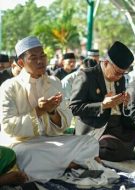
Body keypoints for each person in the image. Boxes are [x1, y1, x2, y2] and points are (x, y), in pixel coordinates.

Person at [0, 36, 99, 182]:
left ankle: (61, 166)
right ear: (21, 62)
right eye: (33, 57)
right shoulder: (9, 87)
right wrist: (38, 112)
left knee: (89, 142)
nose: (40, 61)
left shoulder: (53, 82)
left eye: (42, 56)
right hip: (21, 143)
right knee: (31, 154)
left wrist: (52, 112)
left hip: (49, 140)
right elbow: (8, 126)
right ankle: (69, 164)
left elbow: (64, 123)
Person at [69, 41, 135, 162]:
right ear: (106, 63)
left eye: (122, 74)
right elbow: (74, 107)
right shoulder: (87, 76)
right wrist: (102, 105)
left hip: (117, 127)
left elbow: (122, 110)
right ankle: (133, 151)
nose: (119, 77)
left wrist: (125, 104)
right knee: (109, 148)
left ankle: (130, 150)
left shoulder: (119, 79)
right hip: (97, 129)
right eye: (117, 73)